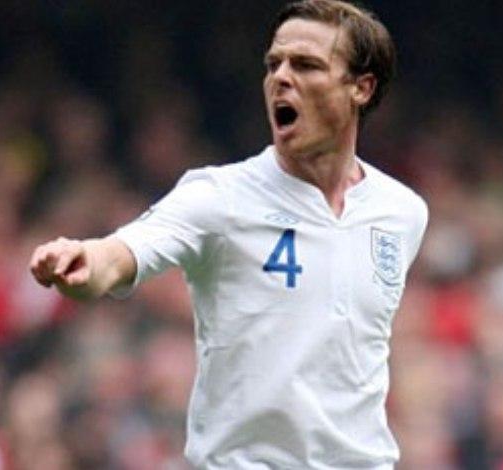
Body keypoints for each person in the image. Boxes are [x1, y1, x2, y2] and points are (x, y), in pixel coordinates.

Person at [29, 0, 428, 468]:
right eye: (274, 64)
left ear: (361, 87)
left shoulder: (402, 213)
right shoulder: (220, 197)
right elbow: (124, 253)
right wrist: (84, 260)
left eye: (306, 65)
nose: (281, 77)